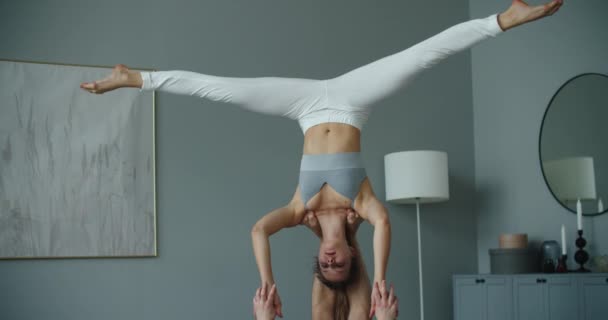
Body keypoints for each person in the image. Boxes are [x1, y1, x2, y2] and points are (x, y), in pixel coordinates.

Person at [80, 1, 564, 317]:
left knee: (223, 89)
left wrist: (267, 286)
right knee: (421, 56)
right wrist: (379, 284)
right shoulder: (364, 206)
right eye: (341, 265)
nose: (332, 260)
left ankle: (136, 78)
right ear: (352, 255)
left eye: (325, 266)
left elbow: (256, 230)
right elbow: (387, 226)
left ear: (320, 259)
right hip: (354, 101)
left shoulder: (300, 211)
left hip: (305, 108)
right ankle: (506, 18)